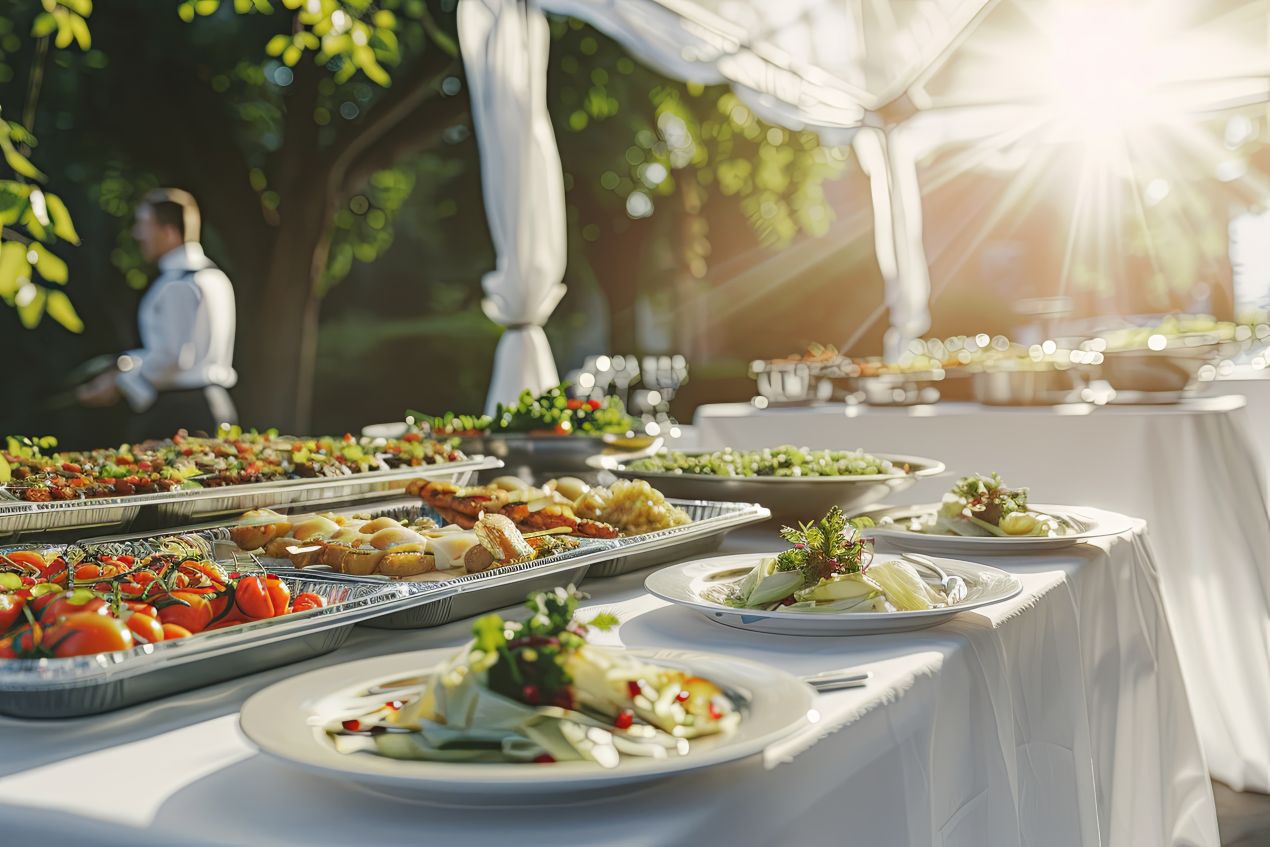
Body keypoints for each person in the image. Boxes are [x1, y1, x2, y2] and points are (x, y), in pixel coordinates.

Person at [76, 188, 238, 440]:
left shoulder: (178, 285)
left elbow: (172, 358)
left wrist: (119, 383)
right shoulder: (214, 277)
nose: (137, 233)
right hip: (211, 406)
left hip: (179, 416)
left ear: (169, 232)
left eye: (144, 224)